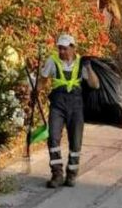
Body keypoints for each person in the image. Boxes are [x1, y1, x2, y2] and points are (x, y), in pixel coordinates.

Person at [37, 33, 99, 188]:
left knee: (76, 141)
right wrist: (34, 91)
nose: (62, 51)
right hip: (58, 105)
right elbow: (43, 81)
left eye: (65, 48)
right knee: (53, 138)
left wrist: (89, 68)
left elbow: (94, 85)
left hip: (76, 106)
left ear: (73, 48)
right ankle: (57, 174)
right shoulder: (52, 61)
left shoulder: (81, 63)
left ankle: (71, 174)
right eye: (60, 48)